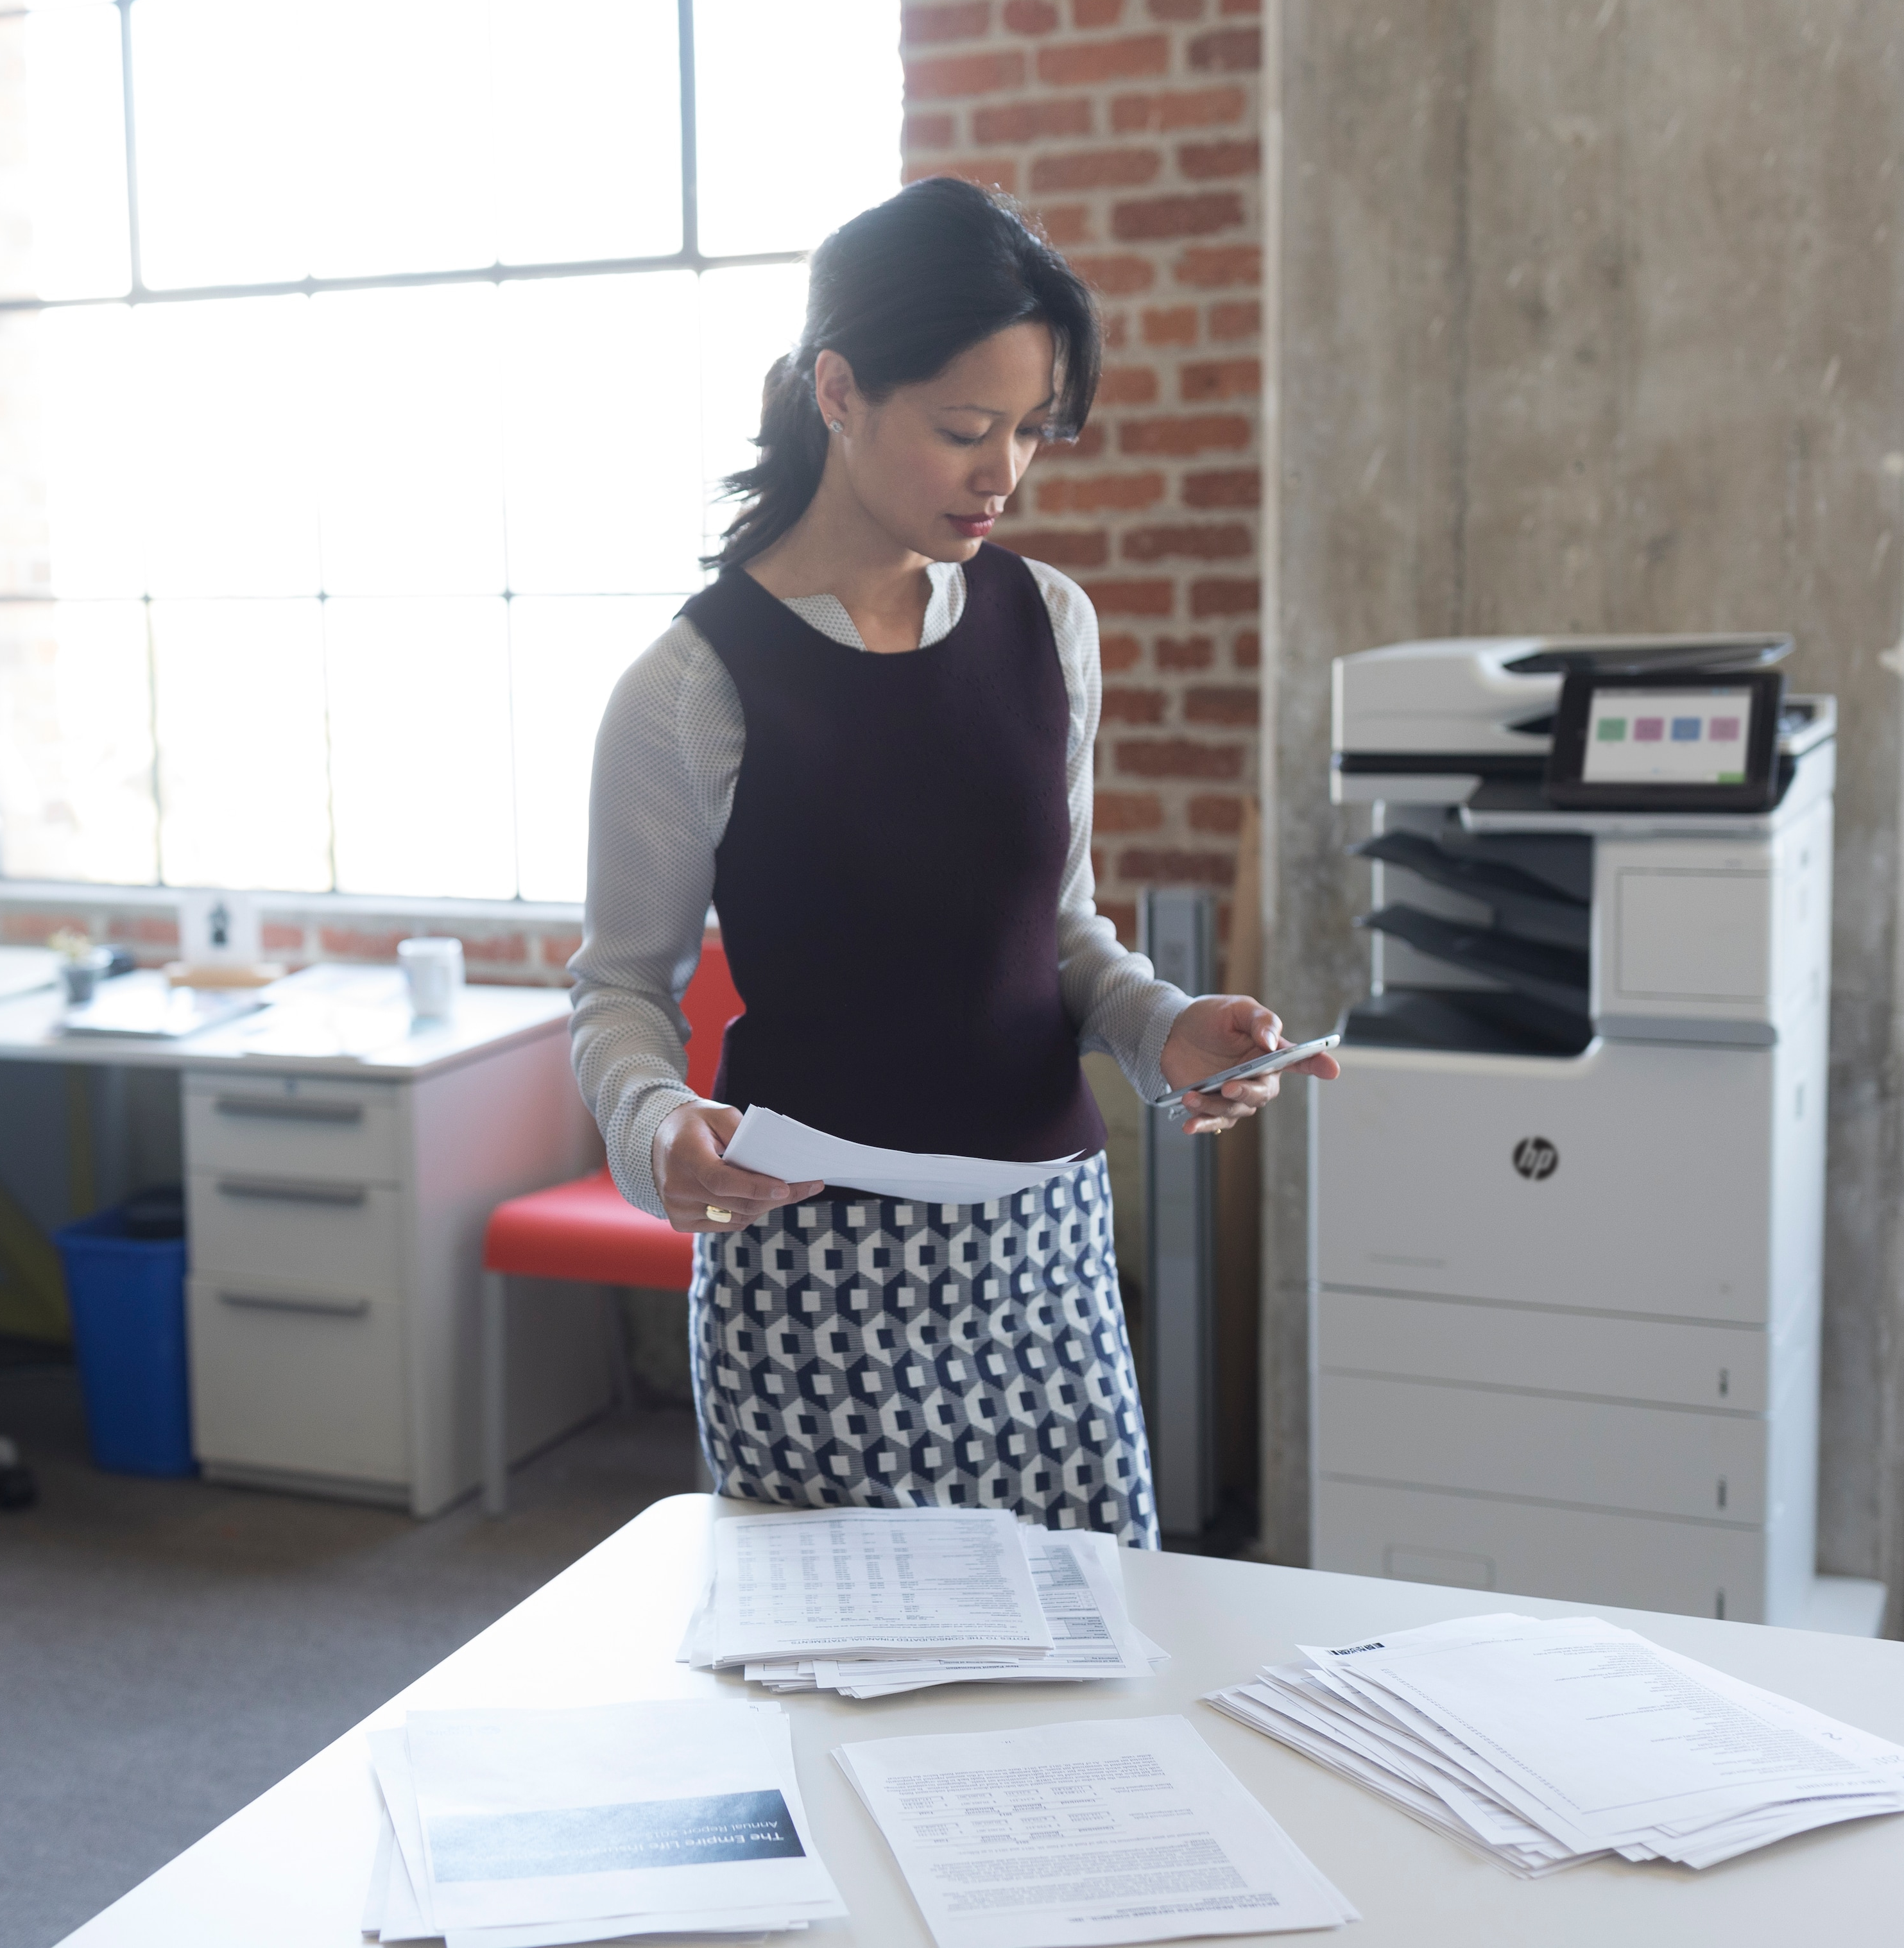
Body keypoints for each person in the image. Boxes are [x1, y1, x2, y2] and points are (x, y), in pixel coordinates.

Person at [568, 176, 1337, 1546]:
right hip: (806, 1272)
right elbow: (618, 993)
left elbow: (1057, 932)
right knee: (837, 1705)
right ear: (840, 391)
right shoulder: (691, 685)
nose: (1004, 474)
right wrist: (654, 1126)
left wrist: (1164, 1027)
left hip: (1043, 1257)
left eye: (1031, 433)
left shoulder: (1048, 623)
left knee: (1092, 1669)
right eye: (964, 430)